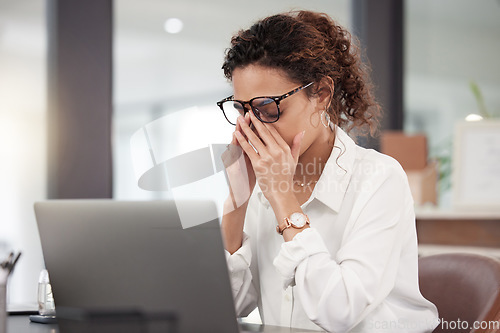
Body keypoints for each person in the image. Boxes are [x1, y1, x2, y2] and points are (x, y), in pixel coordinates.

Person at [217, 10, 439, 333]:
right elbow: (226, 306)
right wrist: (235, 204)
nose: (252, 128)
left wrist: (283, 199)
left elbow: (340, 313)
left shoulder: (380, 179)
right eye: (242, 110)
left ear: (321, 94)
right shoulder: (259, 186)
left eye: (267, 109)